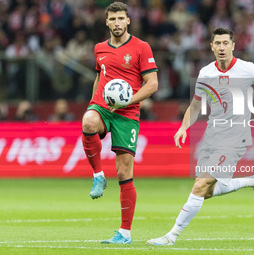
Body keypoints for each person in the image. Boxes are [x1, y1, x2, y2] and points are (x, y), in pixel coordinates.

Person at [147, 27, 254, 246]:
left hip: (236, 135)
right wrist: (183, 127)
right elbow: (196, 105)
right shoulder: (206, 73)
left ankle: (171, 237)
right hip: (212, 135)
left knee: (200, 186)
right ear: (211, 47)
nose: (221, 47)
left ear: (233, 45)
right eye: (217, 43)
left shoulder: (249, 70)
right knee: (206, 191)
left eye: (225, 43)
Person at [81, 2, 158, 244]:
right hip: (103, 107)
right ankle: (98, 175)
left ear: (128, 21)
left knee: (124, 171)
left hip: (127, 113)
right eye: (112, 18)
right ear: (106, 22)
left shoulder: (141, 47)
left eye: (121, 18)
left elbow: (153, 84)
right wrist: (93, 103)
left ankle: (124, 233)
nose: (116, 23)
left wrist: (127, 101)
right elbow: (99, 76)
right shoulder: (99, 48)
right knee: (88, 122)